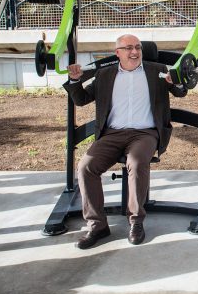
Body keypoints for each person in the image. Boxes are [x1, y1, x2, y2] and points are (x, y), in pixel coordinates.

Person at [64, 34, 187, 249]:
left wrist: (175, 81)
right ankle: (97, 225)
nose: (135, 52)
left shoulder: (157, 70)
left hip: (145, 133)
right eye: (128, 47)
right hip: (112, 134)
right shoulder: (105, 74)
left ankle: (136, 222)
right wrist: (75, 80)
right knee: (86, 167)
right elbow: (81, 100)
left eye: (138, 47)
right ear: (117, 52)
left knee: (137, 162)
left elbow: (180, 92)